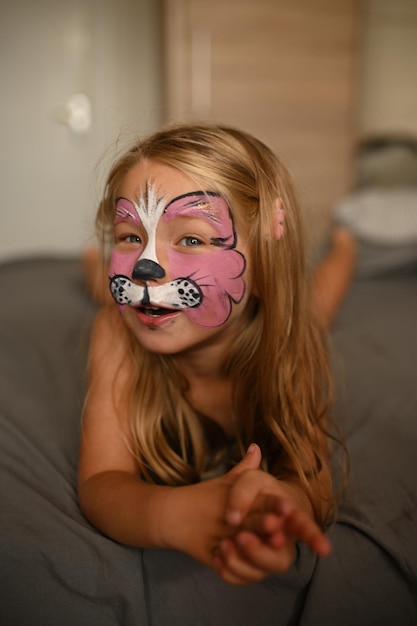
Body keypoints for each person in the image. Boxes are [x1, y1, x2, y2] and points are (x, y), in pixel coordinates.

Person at [78, 123, 339, 586]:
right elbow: (101, 484)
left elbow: (312, 486)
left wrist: (279, 508)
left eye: (192, 239)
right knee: (110, 293)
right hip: (132, 310)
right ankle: (91, 266)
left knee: (317, 306)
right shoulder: (117, 333)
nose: (145, 263)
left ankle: (346, 249)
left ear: (263, 270)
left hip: (286, 311)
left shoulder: (291, 345)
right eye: (129, 236)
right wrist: (173, 515)